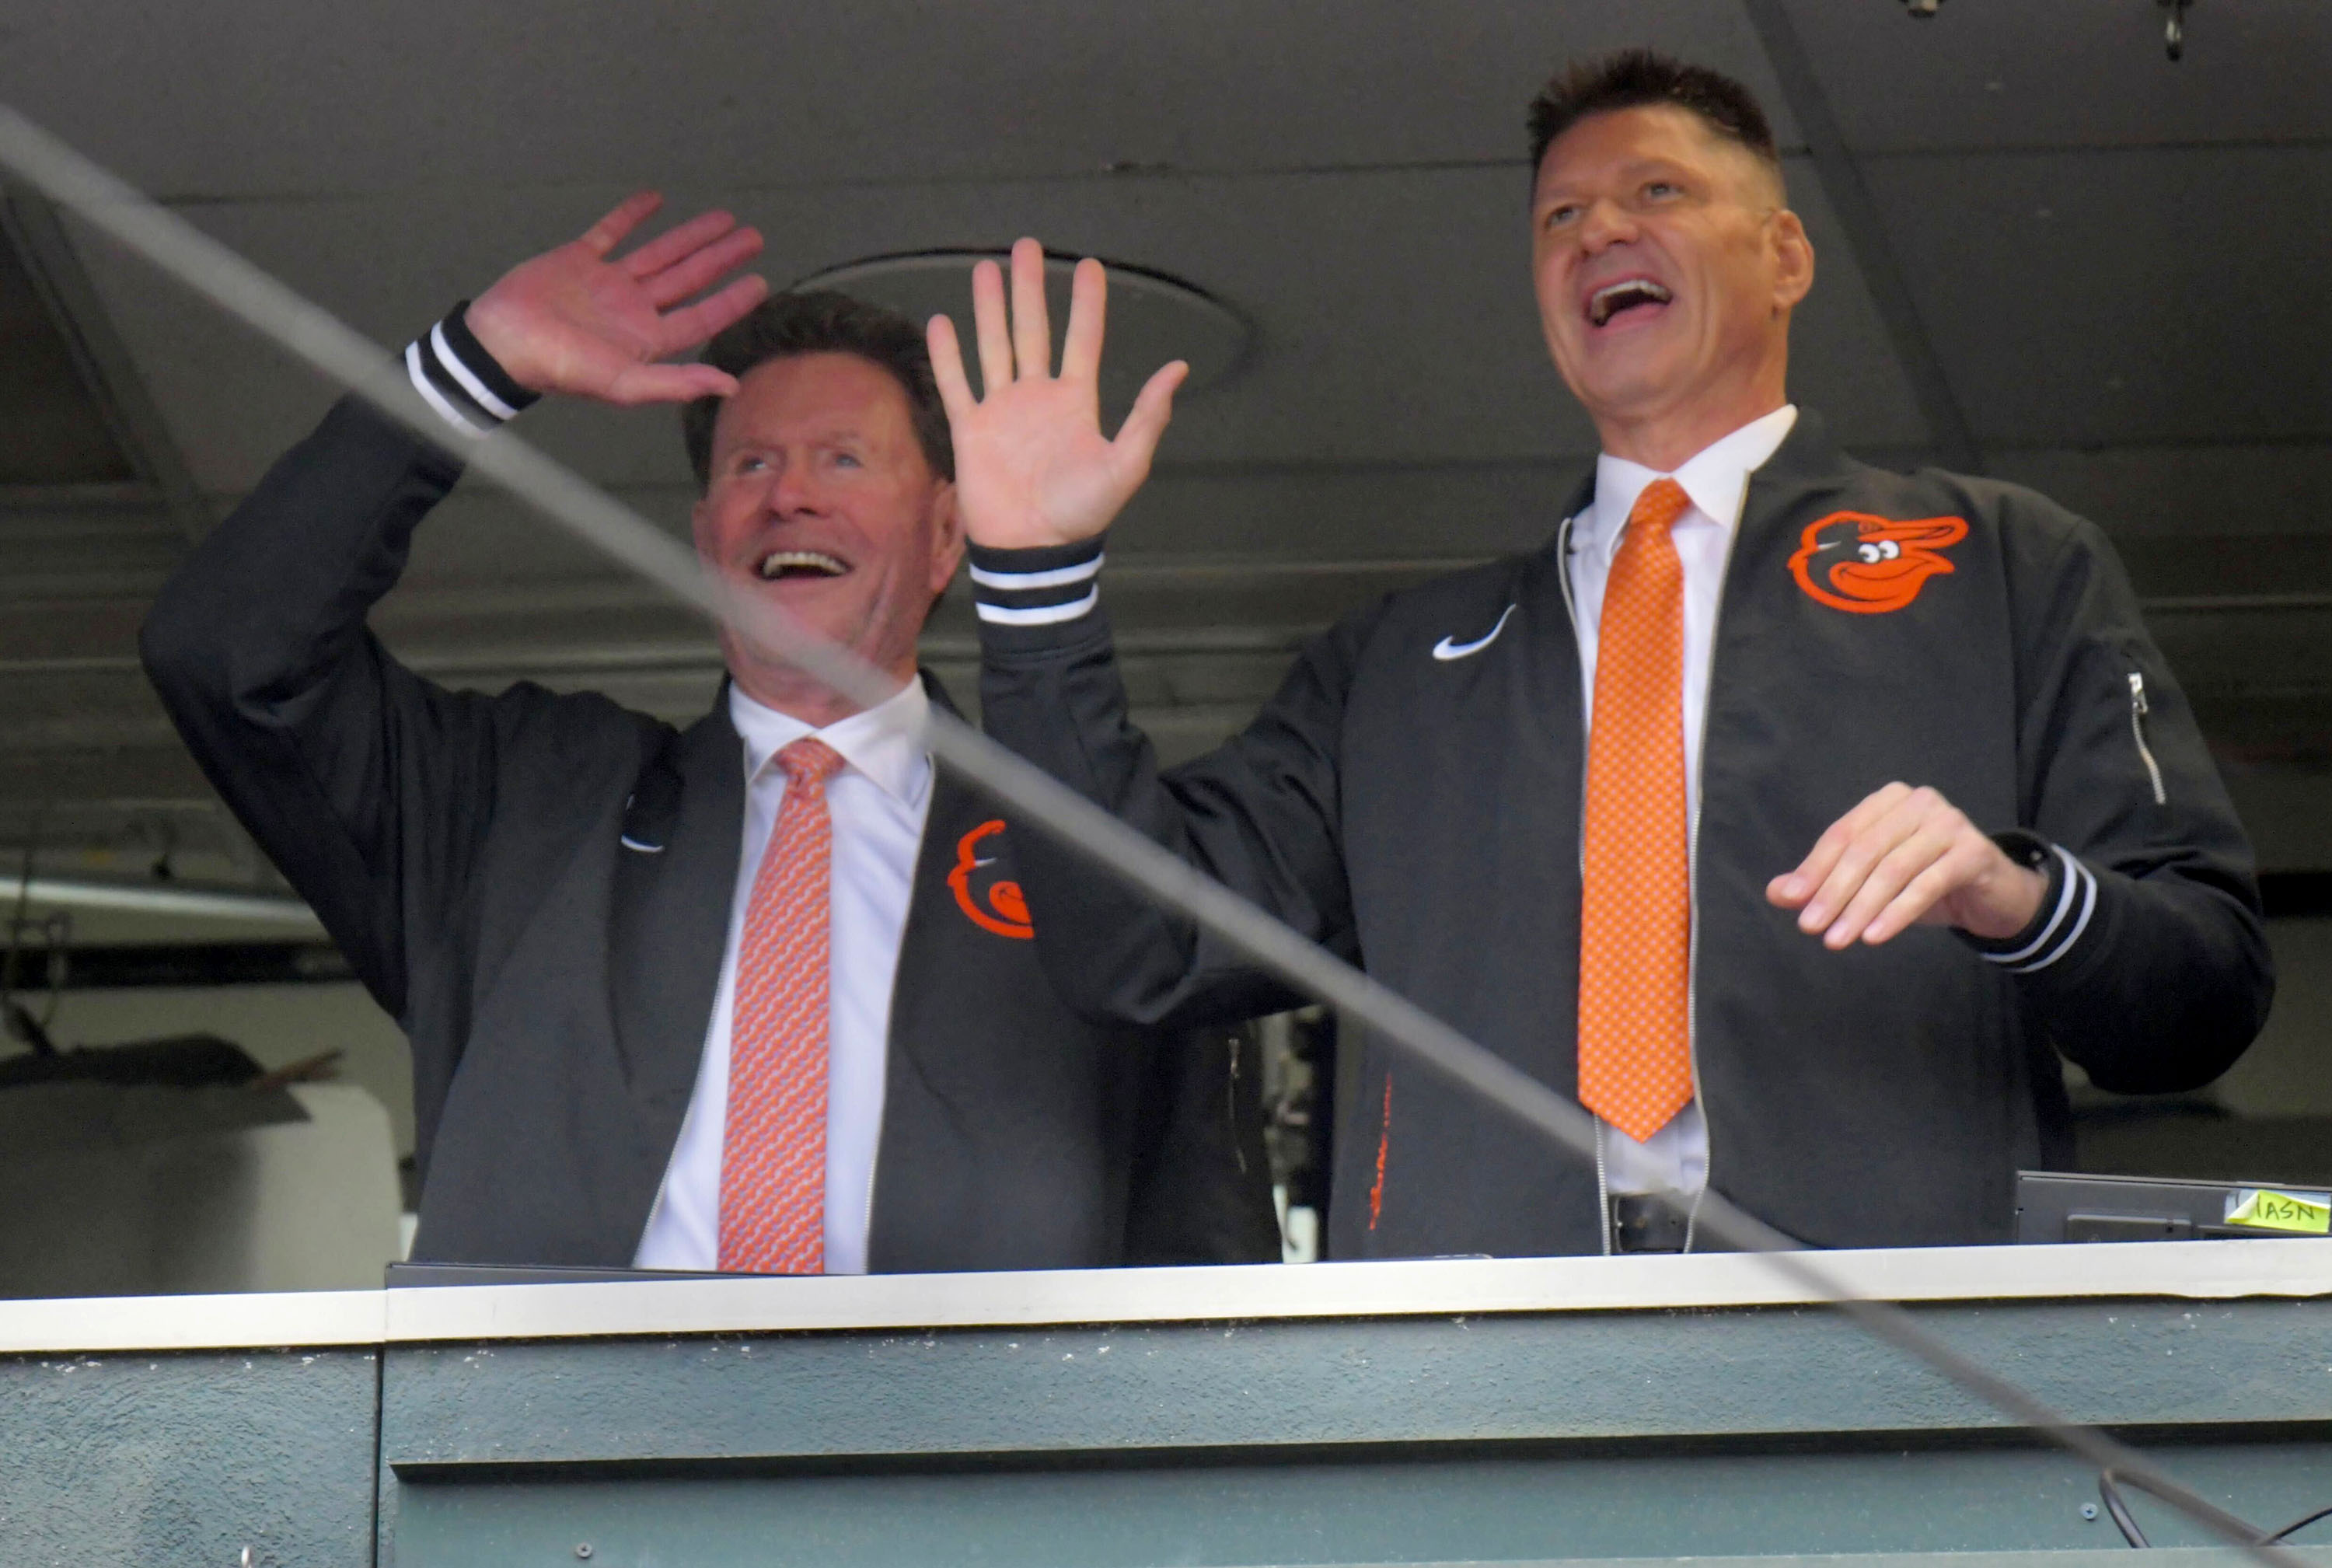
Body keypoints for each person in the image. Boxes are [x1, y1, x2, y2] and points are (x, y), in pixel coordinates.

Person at [930, 51, 2272, 1257]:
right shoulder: (1397, 667)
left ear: (1788, 255)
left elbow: (2203, 989)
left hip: (1891, 1353)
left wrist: (2016, 895)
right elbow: (1136, 942)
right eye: (1559, 218)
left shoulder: (2000, 566)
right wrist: (1035, 585)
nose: (1601, 233)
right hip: (1487, 1378)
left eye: (1659, 193)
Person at [139, 194, 1279, 1273]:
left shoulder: (1091, 863)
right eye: (752, 465)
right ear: (704, 538)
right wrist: (469, 370)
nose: (790, 496)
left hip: (959, 1465)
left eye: (842, 459)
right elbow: (227, 652)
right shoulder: (523, 812)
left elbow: (1214, 1275)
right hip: (563, 1460)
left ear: (945, 536)